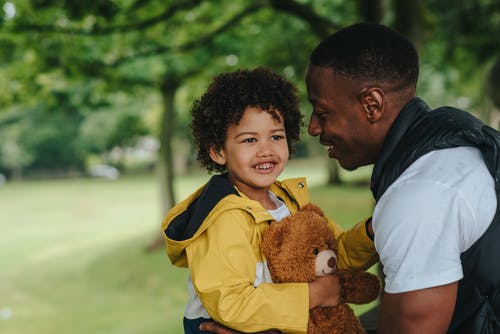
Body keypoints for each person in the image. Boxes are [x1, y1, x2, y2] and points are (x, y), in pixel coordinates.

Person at [305, 23, 500, 333]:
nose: (313, 128)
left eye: (322, 111)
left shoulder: (418, 196)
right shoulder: (455, 142)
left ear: (372, 105)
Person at [162, 67, 378, 334]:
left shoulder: (289, 201)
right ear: (218, 151)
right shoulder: (223, 218)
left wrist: (371, 232)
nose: (266, 150)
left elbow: (331, 256)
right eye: (250, 139)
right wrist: (312, 295)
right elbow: (231, 303)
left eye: (276, 136)